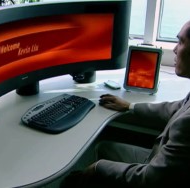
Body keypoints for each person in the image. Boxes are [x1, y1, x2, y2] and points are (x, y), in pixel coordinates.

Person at [60, 20, 190, 188]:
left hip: (156, 174)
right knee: (104, 148)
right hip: (162, 162)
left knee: (72, 181)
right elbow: (176, 108)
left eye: (181, 42)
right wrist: (129, 106)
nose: (174, 49)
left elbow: (151, 179)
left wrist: (99, 168)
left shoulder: (187, 124)